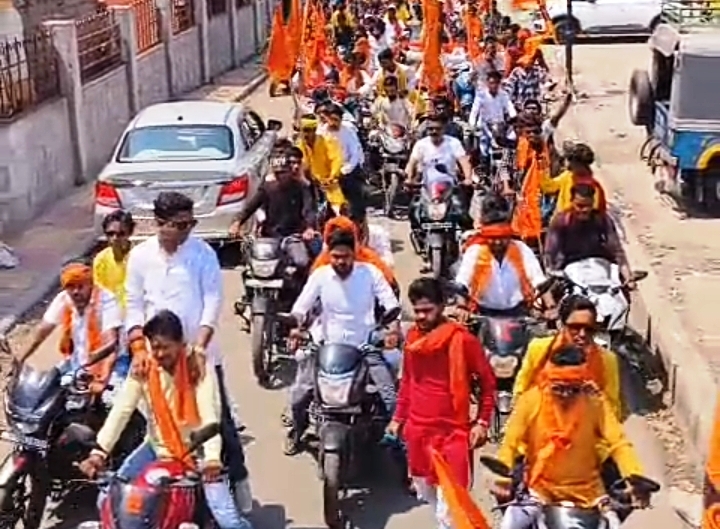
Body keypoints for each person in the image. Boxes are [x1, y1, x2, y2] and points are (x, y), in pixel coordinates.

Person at [125, 191, 252, 514]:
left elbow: (212, 301)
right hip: (158, 359)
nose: (187, 230)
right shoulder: (140, 257)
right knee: (154, 424)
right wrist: (138, 348)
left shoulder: (202, 254)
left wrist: (199, 347)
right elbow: (134, 305)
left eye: (190, 224)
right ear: (159, 223)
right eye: (179, 225)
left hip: (201, 357)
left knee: (220, 423)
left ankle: (238, 481)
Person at [78, 310, 252, 529]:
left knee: (228, 521)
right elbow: (121, 411)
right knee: (109, 499)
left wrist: (211, 460)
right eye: (155, 347)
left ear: (180, 343)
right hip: (157, 448)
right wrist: (99, 453)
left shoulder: (197, 366)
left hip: (197, 452)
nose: (159, 354)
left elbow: (210, 415)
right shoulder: (143, 368)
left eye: (165, 347)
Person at [493, 344, 645, 529]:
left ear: (582, 382)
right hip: (540, 492)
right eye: (558, 388)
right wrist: (503, 479)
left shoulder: (595, 403)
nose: (565, 394)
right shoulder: (531, 400)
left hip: (590, 497)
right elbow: (510, 441)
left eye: (573, 389)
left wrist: (635, 478)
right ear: (548, 380)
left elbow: (619, 443)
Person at [284, 224, 401, 455]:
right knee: (299, 396)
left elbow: (391, 304)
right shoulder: (320, 275)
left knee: (389, 398)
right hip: (326, 346)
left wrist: (393, 330)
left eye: (345, 257)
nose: (340, 262)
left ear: (354, 253)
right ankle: (297, 431)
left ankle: (396, 447)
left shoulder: (371, 273)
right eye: (335, 257)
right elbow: (301, 307)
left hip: (365, 345)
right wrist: (296, 328)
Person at [388, 277, 496, 529]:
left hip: (453, 435)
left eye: (427, 310)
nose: (421, 316)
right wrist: (397, 418)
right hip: (418, 434)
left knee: (452, 509)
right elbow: (408, 382)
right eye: (417, 311)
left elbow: (488, 384)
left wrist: (481, 422)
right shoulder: (413, 339)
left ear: (441, 306)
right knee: (430, 498)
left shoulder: (462, 340)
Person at [17, 261, 123, 393]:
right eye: (70, 287)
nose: (75, 292)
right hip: (77, 367)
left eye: (80, 286)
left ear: (90, 285)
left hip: (112, 369)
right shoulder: (63, 299)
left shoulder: (107, 301)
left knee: (112, 401)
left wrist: (103, 379)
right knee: (43, 392)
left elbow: (111, 345)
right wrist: (20, 360)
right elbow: (41, 333)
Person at [454, 202, 553, 319]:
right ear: (485, 237)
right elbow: (462, 282)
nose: (498, 242)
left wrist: (551, 307)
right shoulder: (475, 251)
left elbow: (539, 281)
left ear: (509, 235)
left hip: (518, 312)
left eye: (502, 237)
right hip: (483, 314)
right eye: (493, 238)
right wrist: (461, 306)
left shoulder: (521, 249)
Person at [230, 144, 317, 274]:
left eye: (283, 172)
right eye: (277, 173)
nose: (280, 176)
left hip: (293, 236)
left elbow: (309, 210)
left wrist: (309, 228)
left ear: (290, 170)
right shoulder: (268, 188)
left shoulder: (301, 188)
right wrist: (237, 223)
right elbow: (250, 207)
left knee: (301, 261)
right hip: (270, 237)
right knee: (252, 264)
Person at [544, 183, 635, 286]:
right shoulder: (561, 221)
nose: (585, 210)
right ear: (572, 201)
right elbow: (551, 252)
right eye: (580, 206)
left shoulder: (602, 219)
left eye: (588, 205)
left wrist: (627, 276)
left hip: (601, 268)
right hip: (571, 272)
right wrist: (553, 273)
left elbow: (616, 249)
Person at [319, 103, 367, 220]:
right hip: (328, 173)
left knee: (355, 204)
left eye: (337, 120)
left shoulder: (348, 131)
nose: (334, 123)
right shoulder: (321, 133)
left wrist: (344, 170)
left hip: (347, 171)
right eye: (331, 119)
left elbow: (355, 154)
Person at [296, 114, 346, 216]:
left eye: (308, 130)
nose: (305, 134)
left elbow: (336, 160)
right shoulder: (299, 146)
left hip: (329, 184)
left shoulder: (328, 142)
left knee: (339, 211)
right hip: (309, 186)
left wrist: (332, 176)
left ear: (314, 130)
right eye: (303, 130)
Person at [541, 142, 609, 214]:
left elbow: (596, 211)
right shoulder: (567, 176)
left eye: (572, 162)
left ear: (580, 164)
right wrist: (542, 169)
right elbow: (549, 187)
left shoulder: (594, 186)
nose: (569, 164)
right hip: (563, 219)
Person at [93, 210, 135, 309]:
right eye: (110, 234)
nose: (115, 238)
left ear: (130, 233)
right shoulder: (100, 260)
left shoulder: (139, 257)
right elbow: (99, 293)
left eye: (121, 234)